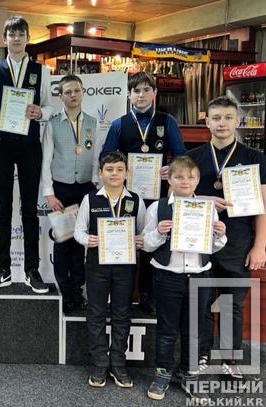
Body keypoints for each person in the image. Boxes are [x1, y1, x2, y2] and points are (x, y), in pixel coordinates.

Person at [0, 15, 52, 293]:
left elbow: (51, 106)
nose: (16, 39)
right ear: (4, 40)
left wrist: (41, 112)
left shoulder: (42, 71)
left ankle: (31, 270)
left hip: (30, 145)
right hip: (3, 144)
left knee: (29, 210)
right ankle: (3, 270)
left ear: (28, 38)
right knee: (3, 210)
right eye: (11, 35)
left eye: (21, 34)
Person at [186, 96, 266, 381]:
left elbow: (263, 206)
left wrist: (260, 246)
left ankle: (231, 358)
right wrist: (204, 199)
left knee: (232, 305)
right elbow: (178, 198)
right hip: (200, 241)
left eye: (228, 118)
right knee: (202, 303)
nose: (222, 123)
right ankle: (202, 355)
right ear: (206, 121)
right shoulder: (192, 157)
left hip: (239, 241)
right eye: (216, 118)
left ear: (237, 121)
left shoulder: (255, 158)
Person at [101, 72, 187, 315]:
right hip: (125, 196)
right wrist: (119, 169)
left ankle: (149, 297)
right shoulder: (119, 124)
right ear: (129, 95)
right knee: (125, 243)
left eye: (146, 90)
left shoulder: (167, 121)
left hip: (157, 196)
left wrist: (172, 168)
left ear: (154, 93)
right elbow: (106, 156)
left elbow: (181, 156)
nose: (141, 95)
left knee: (153, 245)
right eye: (136, 91)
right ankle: (122, 298)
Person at [143, 156, 226, 403]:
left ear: (198, 180)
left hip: (199, 276)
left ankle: (190, 374)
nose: (185, 181)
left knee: (194, 331)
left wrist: (220, 235)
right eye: (179, 176)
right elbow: (145, 244)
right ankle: (162, 374)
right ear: (169, 179)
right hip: (167, 276)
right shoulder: (157, 208)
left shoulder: (208, 209)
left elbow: (214, 247)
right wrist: (159, 233)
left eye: (191, 177)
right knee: (167, 329)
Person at [74, 151, 146, 388]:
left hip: (126, 266)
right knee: (96, 312)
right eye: (109, 170)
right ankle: (99, 364)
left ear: (127, 173)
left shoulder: (136, 200)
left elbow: (144, 231)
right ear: (100, 173)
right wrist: (87, 240)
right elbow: (78, 231)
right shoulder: (90, 199)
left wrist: (141, 240)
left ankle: (118, 364)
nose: (114, 174)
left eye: (119, 170)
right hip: (97, 265)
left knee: (122, 314)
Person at [41, 74, 98, 312]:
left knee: (80, 243)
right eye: (68, 92)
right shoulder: (53, 123)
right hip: (61, 189)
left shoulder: (93, 122)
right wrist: (49, 194)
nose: (73, 95)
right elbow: (46, 161)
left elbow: (95, 157)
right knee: (63, 242)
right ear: (61, 96)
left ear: (83, 93)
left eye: (77, 90)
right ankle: (64, 291)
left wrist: (95, 184)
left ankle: (77, 291)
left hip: (85, 188)